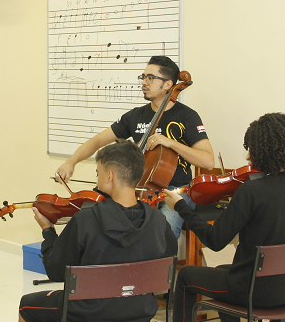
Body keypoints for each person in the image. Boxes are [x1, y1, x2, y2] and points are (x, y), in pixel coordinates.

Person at [0, 140, 178, 322]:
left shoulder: (87, 219)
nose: (96, 179)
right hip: (138, 316)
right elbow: (167, 258)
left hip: (89, 319)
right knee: (118, 295)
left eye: (97, 173)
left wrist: (48, 232)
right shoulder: (158, 222)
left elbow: (55, 271)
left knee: (27, 307)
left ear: (110, 175)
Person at [165, 113, 285, 322]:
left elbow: (214, 239)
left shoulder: (252, 191)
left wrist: (182, 207)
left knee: (188, 276)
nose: (248, 158)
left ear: (266, 150)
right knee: (225, 270)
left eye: (252, 150)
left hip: (253, 291)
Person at [56, 55, 214, 238]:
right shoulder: (136, 116)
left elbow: (207, 161)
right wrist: (71, 162)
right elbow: (98, 141)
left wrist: (170, 142)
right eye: (143, 77)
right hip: (139, 189)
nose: (144, 82)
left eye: (151, 78)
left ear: (169, 84)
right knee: (95, 215)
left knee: (163, 230)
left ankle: (159, 267)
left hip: (177, 191)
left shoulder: (187, 116)